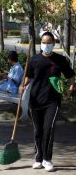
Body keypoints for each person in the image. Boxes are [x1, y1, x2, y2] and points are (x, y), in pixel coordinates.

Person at [20, 32, 75, 172]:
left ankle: (47, 159)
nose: (46, 45)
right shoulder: (34, 60)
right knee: (38, 130)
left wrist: (70, 89)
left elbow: (70, 76)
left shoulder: (60, 60)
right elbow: (28, 77)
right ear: (40, 43)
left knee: (48, 129)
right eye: (44, 42)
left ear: (53, 43)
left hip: (53, 101)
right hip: (35, 100)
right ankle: (38, 158)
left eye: (49, 42)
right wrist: (23, 86)